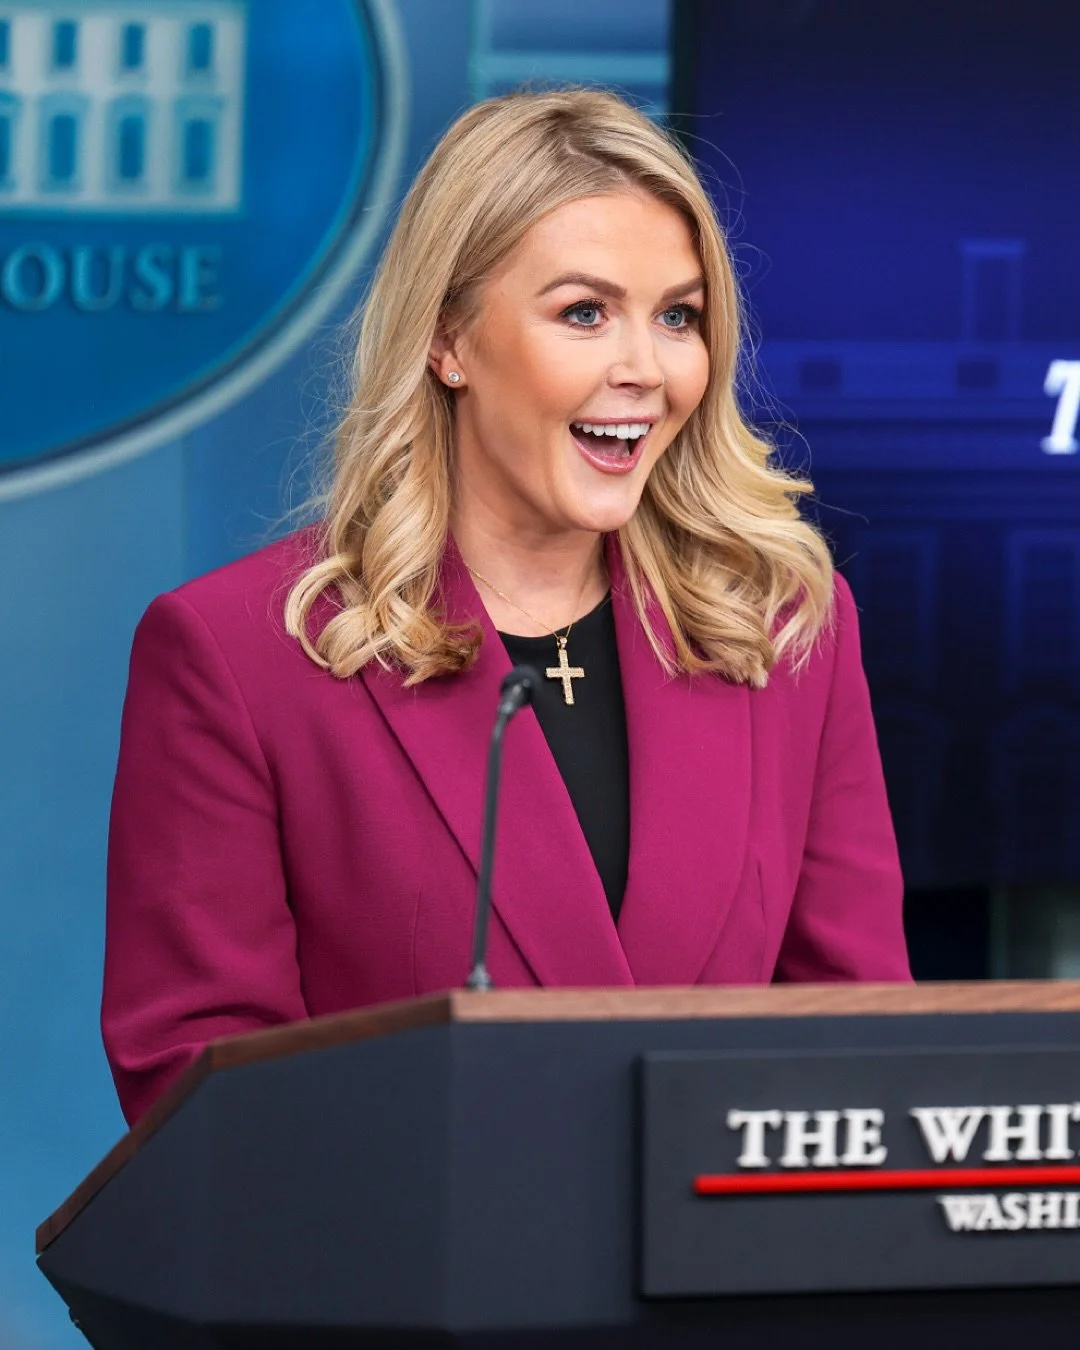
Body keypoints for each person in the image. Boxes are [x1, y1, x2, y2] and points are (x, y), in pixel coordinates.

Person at [102, 88, 911, 1126]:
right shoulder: (240, 655)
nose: (645, 370)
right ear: (449, 339)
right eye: (585, 313)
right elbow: (199, 1099)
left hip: (717, 1231)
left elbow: (857, 1050)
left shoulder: (790, 630)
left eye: (678, 316)